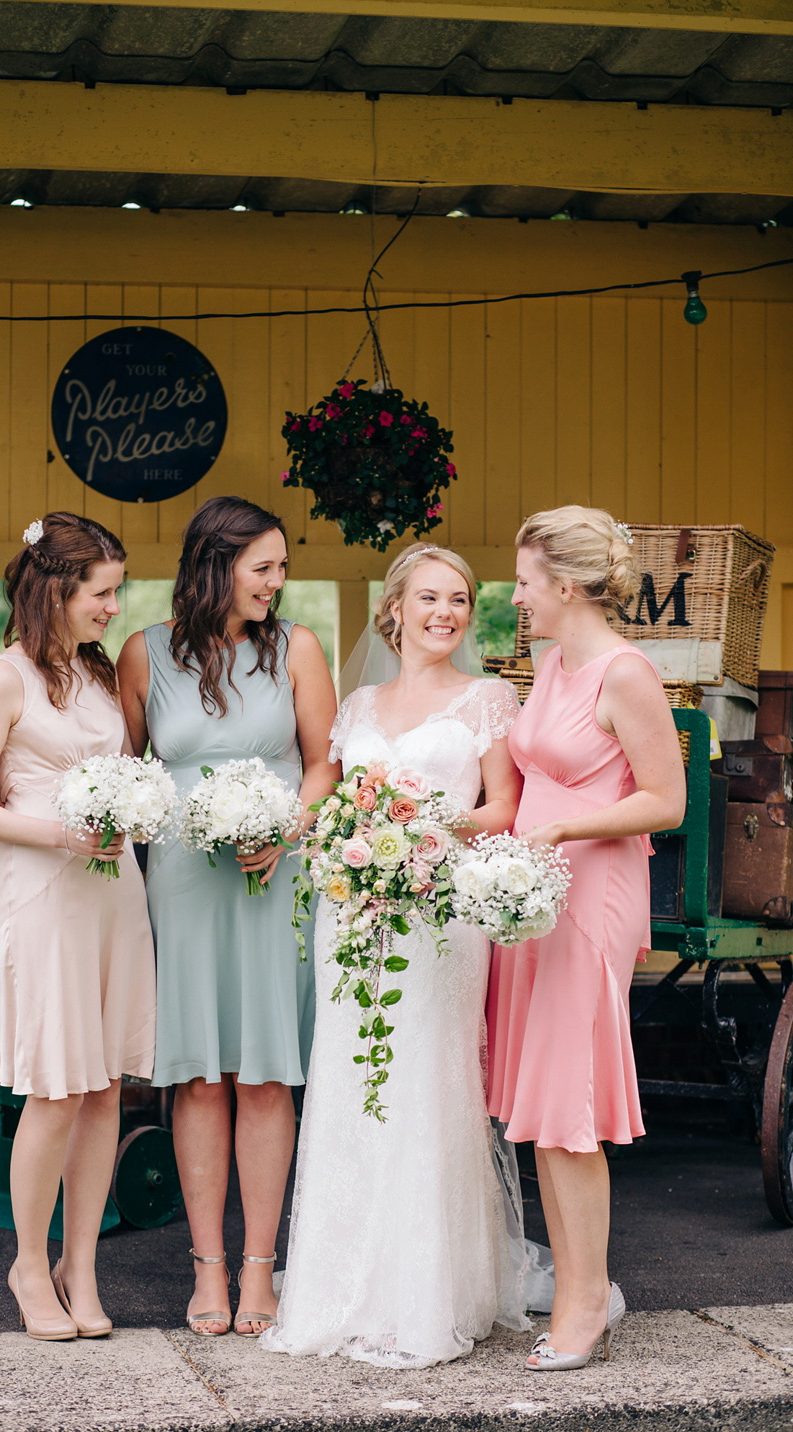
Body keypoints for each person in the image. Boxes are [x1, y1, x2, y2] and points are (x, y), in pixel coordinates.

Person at [262, 543, 545, 1370]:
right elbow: (339, 806)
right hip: (360, 917)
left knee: (427, 1084)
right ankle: (343, 1286)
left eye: (459, 600)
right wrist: (351, 842)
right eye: (428, 598)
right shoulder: (355, 706)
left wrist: (424, 833)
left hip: (442, 914)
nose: (445, 613)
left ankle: (431, 1292)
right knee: (351, 1080)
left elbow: (502, 810)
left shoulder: (488, 698)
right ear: (395, 608)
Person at [117, 495, 338, 1338]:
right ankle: (207, 1267)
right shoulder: (144, 653)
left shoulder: (297, 649)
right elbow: (130, 769)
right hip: (183, 880)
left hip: (276, 876)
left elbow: (322, 766)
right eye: (264, 568)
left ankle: (260, 1271)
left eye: (281, 568)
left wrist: (285, 828)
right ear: (215, 564)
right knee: (199, 1072)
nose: (277, 584)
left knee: (267, 1072)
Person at [0, 511, 156, 1342]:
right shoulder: (6, 678)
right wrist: (63, 832)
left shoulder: (101, 676)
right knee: (55, 1089)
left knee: (104, 1086)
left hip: (112, 894)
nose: (113, 606)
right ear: (57, 590)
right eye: (102, 592)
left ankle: (83, 1265)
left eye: (116, 591)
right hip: (44, 889)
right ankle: (29, 1265)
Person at [487, 506, 686, 1372]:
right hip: (531, 900)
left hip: (589, 892)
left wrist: (564, 835)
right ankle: (580, 1290)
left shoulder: (626, 672)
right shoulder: (549, 663)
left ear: (566, 586)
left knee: (571, 1111)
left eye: (527, 581)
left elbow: (666, 801)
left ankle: (583, 1309)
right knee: (541, 1111)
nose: (517, 595)